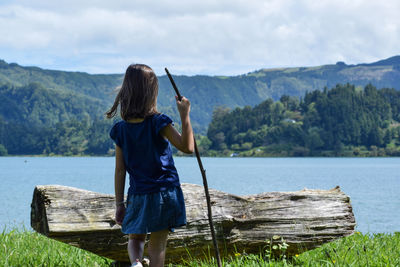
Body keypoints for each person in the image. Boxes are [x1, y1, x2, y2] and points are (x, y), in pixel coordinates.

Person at [106, 64, 194, 267]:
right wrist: (185, 114)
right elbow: (188, 147)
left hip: (138, 194)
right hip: (164, 192)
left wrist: (119, 204)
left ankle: (136, 264)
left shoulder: (121, 130)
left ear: (126, 92)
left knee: (135, 238)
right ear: (151, 92)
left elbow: (120, 170)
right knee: (157, 245)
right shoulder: (159, 122)